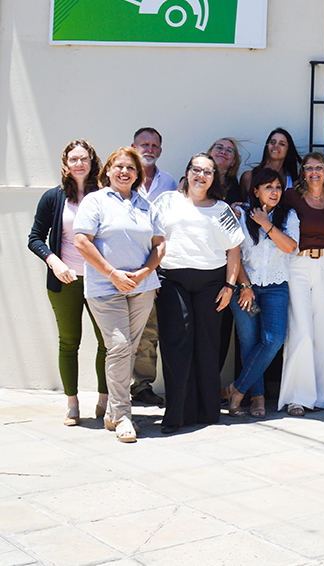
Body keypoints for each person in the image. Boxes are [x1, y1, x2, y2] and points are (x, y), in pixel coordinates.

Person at [73, 147, 165, 442]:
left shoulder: (146, 205)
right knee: (120, 347)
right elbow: (82, 241)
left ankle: (114, 411)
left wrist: (144, 273)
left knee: (129, 349)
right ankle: (124, 415)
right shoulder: (95, 201)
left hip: (141, 288)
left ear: (138, 175)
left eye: (131, 168)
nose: (125, 172)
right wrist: (113, 273)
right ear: (109, 171)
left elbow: (159, 244)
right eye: (119, 166)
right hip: (105, 288)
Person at [154, 153, 244, 434]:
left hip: (211, 284)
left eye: (207, 172)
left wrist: (230, 286)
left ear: (214, 178)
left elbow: (234, 250)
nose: (201, 176)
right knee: (176, 347)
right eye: (196, 170)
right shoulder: (166, 202)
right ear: (187, 172)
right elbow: (152, 240)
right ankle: (176, 414)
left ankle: (207, 412)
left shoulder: (221, 209)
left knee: (207, 347)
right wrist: (150, 277)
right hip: (172, 281)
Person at [28, 140, 108, 426]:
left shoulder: (104, 195)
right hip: (66, 279)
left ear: (92, 161)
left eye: (84, 158)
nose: (79, 164)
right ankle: (72, 403)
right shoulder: (53, 197)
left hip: (100, 280)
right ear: (65, 164)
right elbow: (35, 238)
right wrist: (54, 261)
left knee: (107, 342)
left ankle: (104, 400)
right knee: (69, 341)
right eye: (73, 159)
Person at [225, 168, 298, 419]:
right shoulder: (239, 215)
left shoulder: (289, 215)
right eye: (268, 187)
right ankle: (257, 398)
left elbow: (290, 247)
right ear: (256, 191)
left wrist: (265, 223)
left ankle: (237, 390)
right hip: (245, 286)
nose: (274, 192)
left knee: (273, 340)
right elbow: (233, 254)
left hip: (276, 286)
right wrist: (245, 287)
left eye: (278, 187)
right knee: (249, 342)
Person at [279, 153, 324, 416]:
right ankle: (296, 397)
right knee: (301, 330)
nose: (314, 172)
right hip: (298, 265)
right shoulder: (291, 197)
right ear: (303, 173)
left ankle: (321, 397)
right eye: (309, 168)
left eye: (319, 167)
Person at [130, 127, 177, 408]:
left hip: (159, 265)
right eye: (144, 144)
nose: (149, 149)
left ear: (160, 150)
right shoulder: (121, 178)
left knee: (151, 329)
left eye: (154, 145)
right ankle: (118, 387)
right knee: (123, 330)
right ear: (133, 146)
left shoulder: (168, 182)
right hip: (125, 265)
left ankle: (142, 386)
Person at [208, 137, 244, 383]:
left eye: (229, 151)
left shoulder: (236, 187)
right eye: (219, 148)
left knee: (222, 331)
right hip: (197, 266)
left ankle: (211, 385)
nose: (223, 152)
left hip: (226, 268)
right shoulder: (192, 180)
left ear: (233, 162)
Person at [240, 127, 301, 195]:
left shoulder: (293, 181)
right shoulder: (249, 177)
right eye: (272, 142)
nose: (276, 146)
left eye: (282, 144)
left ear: (288, 150)